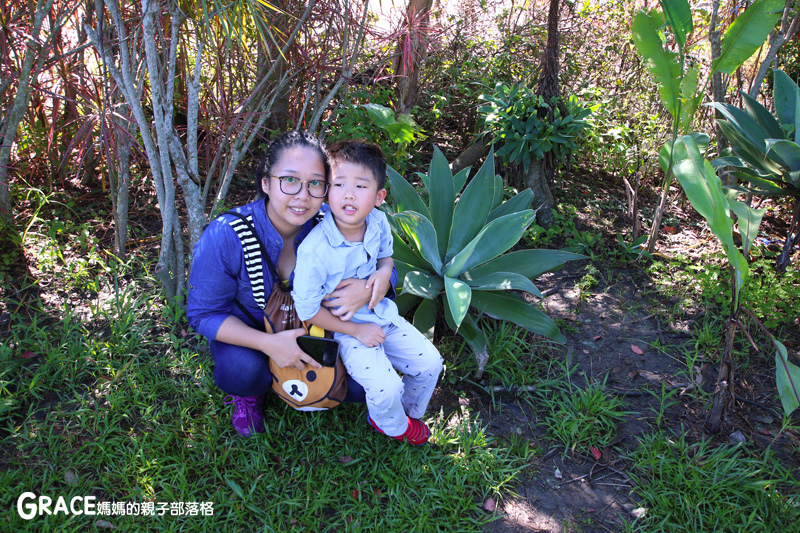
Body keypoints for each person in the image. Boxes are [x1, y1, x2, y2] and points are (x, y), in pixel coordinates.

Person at [187, 131, 396, 437]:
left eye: (315, 183)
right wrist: (268, 344)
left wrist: (370, 286)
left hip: (318, 329)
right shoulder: (226, 234)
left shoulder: (334, 222)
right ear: (265, 183)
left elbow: (385, 263)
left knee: (361, 386)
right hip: (254, 334)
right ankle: (250, 394)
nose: (302, 195)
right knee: (241, 371)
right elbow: (203, 314)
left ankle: (307, 376)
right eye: (289, 180)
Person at [292, 140, 443, 446]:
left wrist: (385, 272)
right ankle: (391, 425)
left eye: (361, 186)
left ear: (379, 196)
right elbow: (306, 311)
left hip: (383, 314)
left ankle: (405, 414)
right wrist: (357, 330)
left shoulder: (378, 222)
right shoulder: (315, 252)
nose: (349, 194)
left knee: (430, 363)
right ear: (326, 193)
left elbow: (386, 257)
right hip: (346, 330)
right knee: (386, 387)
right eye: (339, 184)